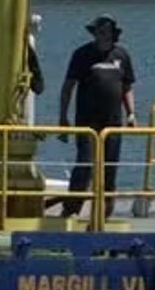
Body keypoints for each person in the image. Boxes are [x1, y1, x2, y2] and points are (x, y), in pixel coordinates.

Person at [57, 14, 135, 219]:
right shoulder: (82, 54)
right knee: (85, 164)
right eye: (99, 29)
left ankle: (104, 213)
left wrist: (131, 114)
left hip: (113, 123)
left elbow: (127, 87)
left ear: (112, 32)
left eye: (106, 29)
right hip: (87, 123)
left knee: (109, 168)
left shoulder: (122, 55)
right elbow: (68, 88)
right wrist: (63, 118)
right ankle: (72, 209)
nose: (102, 33)